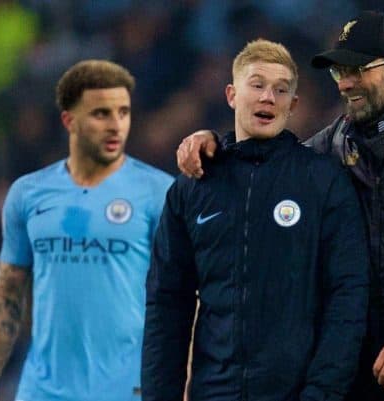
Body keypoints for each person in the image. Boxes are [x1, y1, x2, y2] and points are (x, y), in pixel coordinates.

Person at [176, 11, 384, 401]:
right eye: (339, 72)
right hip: (369, 375)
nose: (345, 83)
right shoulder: (341, 141)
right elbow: (276, 164)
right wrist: (218, 146)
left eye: (357, 70)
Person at [141, 39, 369, 401]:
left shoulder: (322, 181)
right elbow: (167, 304)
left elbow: (348, 296)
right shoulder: (193, 187)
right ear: (231, 94)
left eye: (281, 90)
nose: (268, 97)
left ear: (293, 105)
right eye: (257, 85)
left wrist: (321, 393)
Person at [0, 60, 173, 401]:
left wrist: (183, 381)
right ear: (69, 120)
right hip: (41, 389)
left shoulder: (159, 192)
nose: (116, 125)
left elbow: (184, 294)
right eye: (101, 114)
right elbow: (7, 293)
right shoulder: (28, 193)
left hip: (127, 388)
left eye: (123, 112)